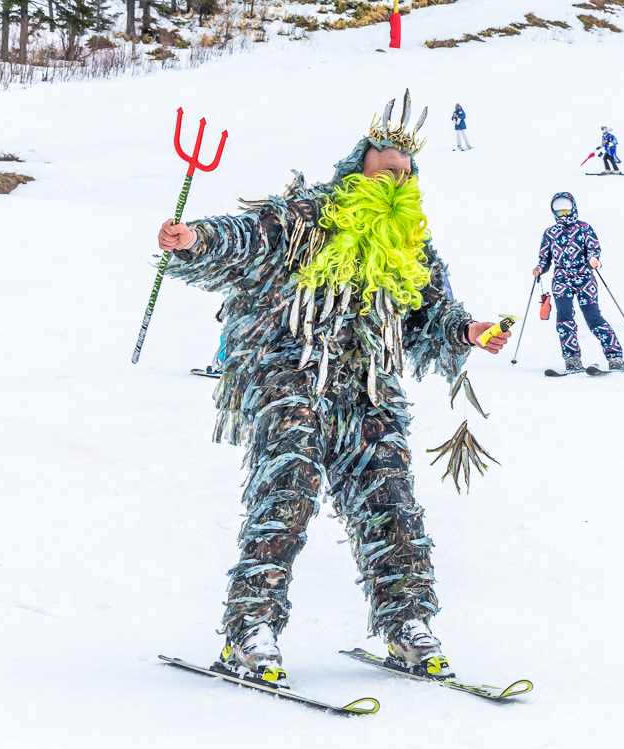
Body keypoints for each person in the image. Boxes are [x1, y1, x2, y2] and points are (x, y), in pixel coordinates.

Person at [156, 91, 510, 687]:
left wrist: (466, 331)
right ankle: (251, 629)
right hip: (288, 371)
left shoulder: (410, 244)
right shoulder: (311, 215)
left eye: (404, 172)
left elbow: (430, 313)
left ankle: (408, 623)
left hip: (368, 385)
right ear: (360, 163)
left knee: (390, 497)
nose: (394, 179)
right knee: (287, 490)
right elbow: (250, 237)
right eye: (385, 166)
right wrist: (195, 241)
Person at [532, 192, 624, 373]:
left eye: (567, 211)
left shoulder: (584, 228)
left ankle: (615, 357)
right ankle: (572, 359)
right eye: (560, 213)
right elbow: (545, 258)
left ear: (573, 208)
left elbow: (593, 247)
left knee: (593, 317)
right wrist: (539, 269)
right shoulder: (550, 233)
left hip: (584, 278)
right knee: (564, 318)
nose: (564, 216)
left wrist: (593, 259)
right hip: (561, 281)